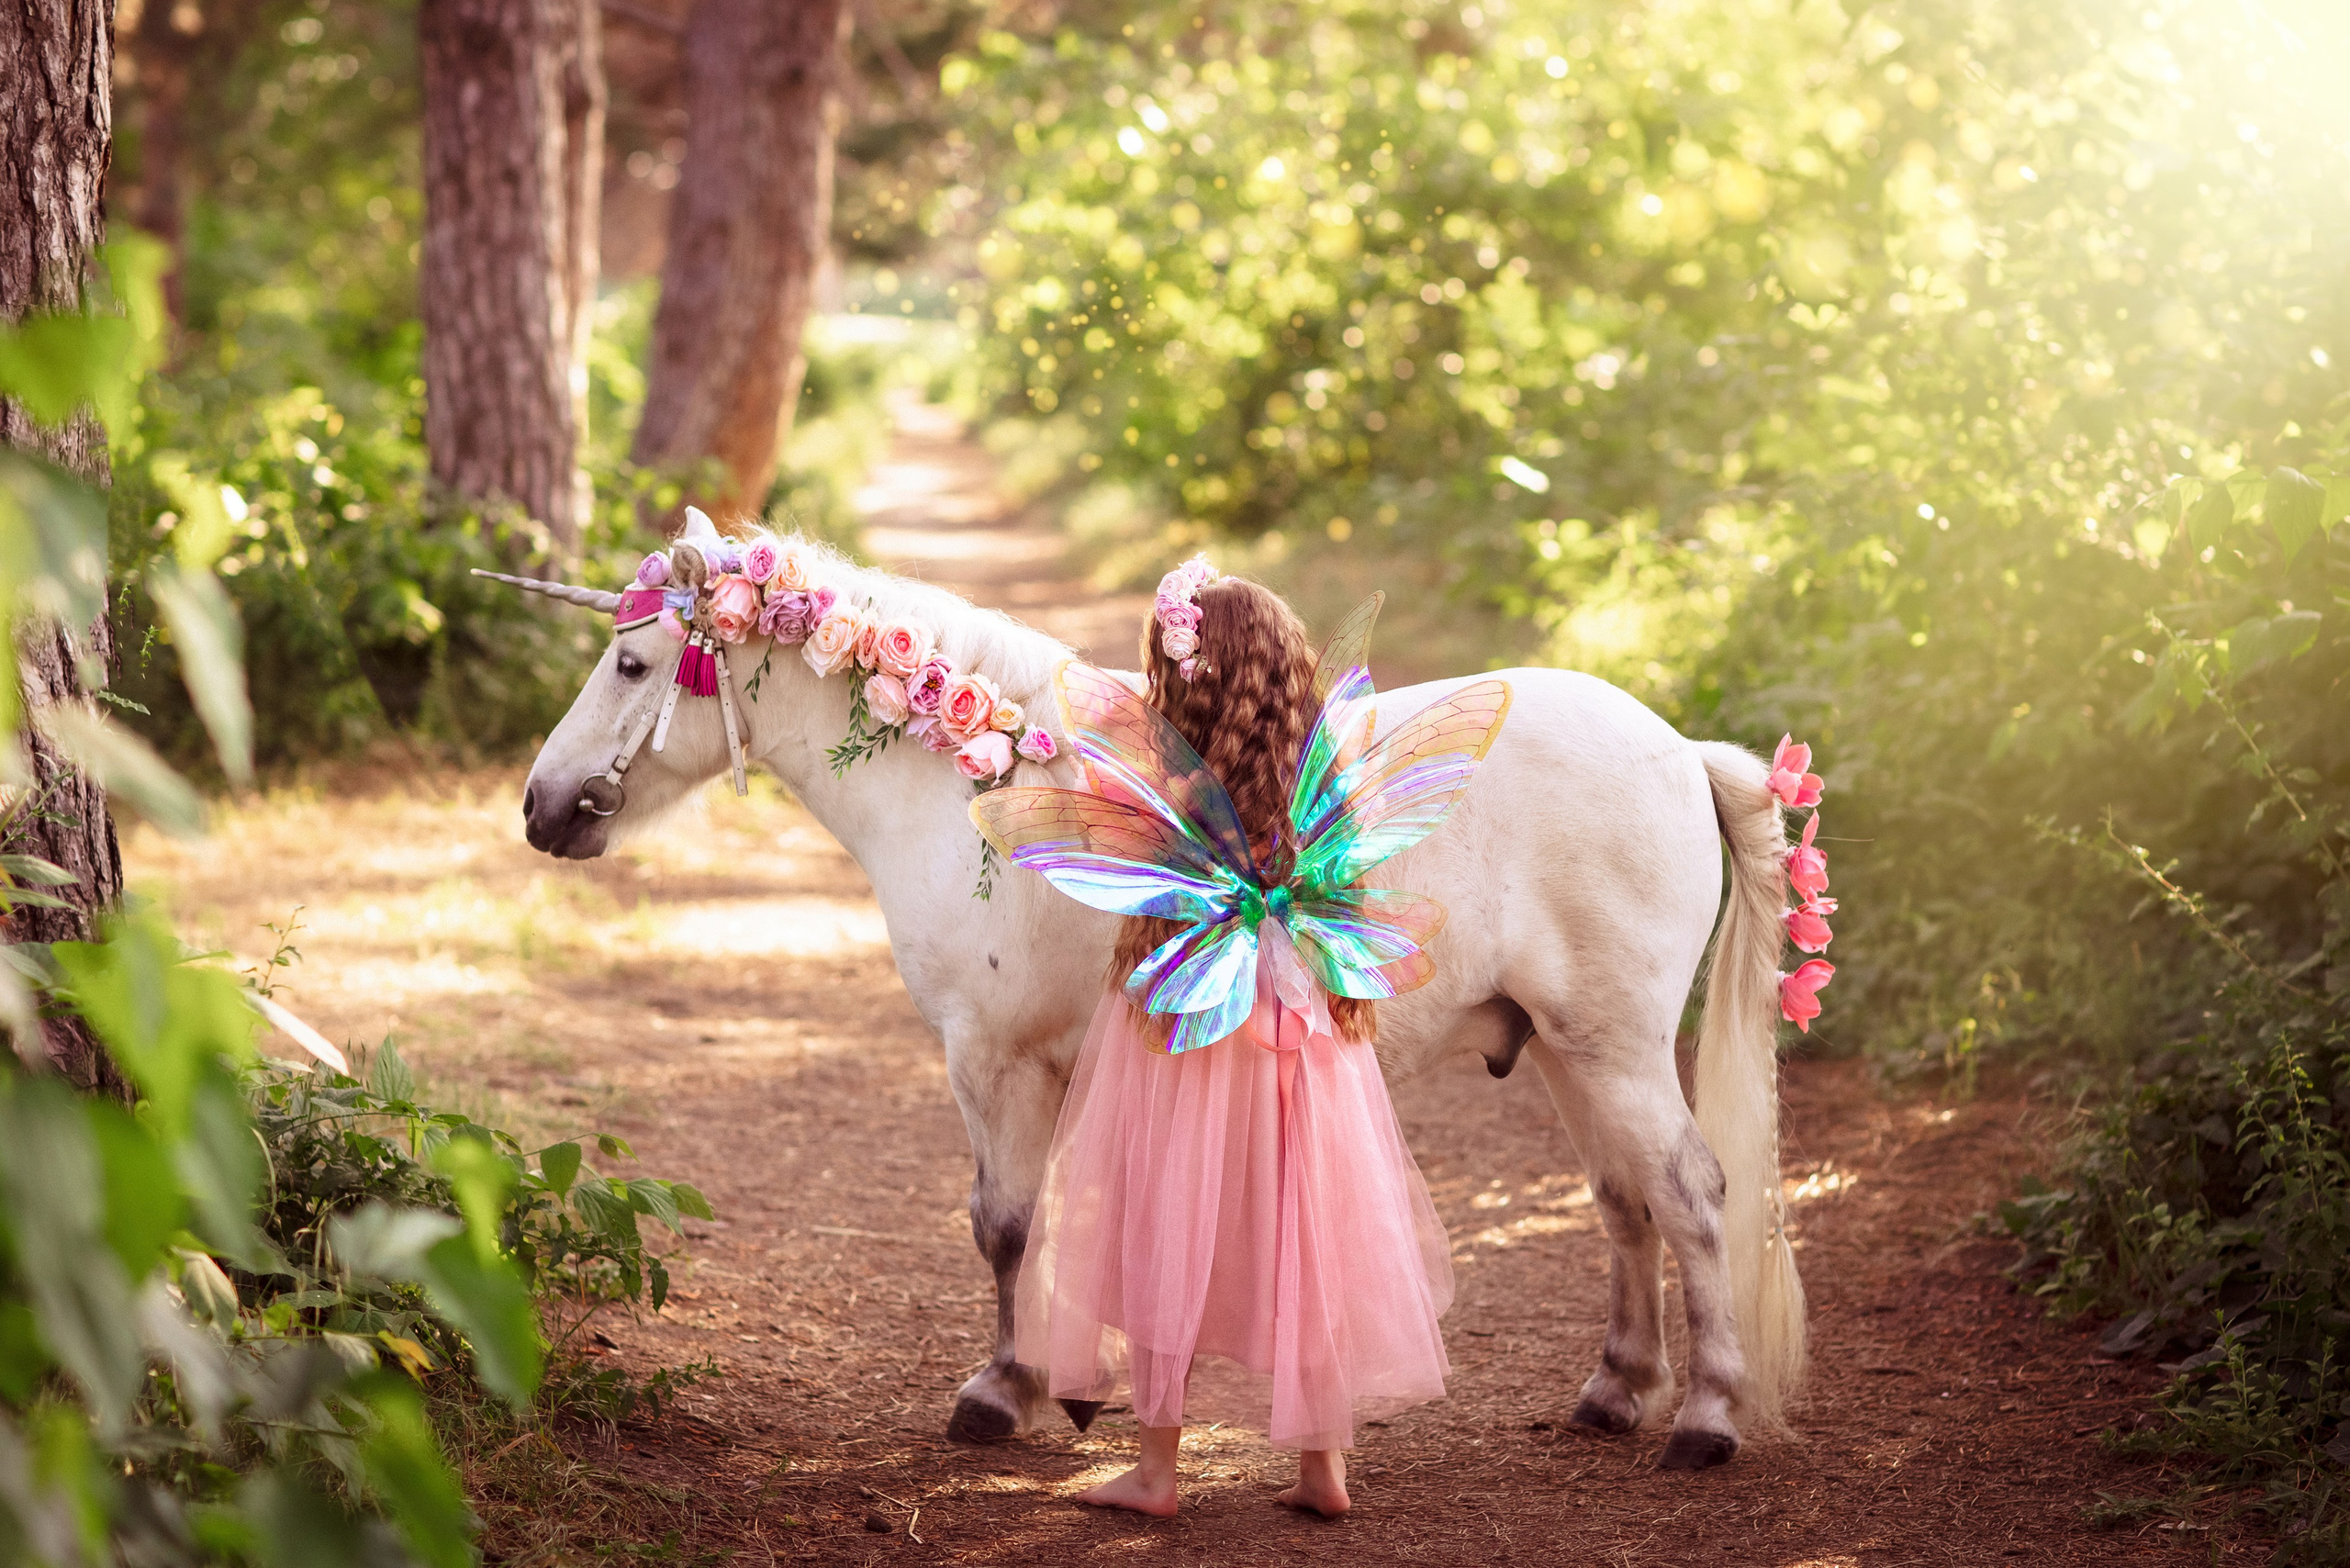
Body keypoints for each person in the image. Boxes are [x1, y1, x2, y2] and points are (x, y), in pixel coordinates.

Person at [979, 562, 1503, 1518]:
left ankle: (1157, 1470)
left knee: (1165, 1224)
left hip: (1190, 1029)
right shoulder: (1326, 786)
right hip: (1305, 1038)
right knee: (1310, 1227)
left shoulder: (1170, 790)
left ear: (1186, 677)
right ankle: (1321, 1468)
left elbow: (1118, 878)